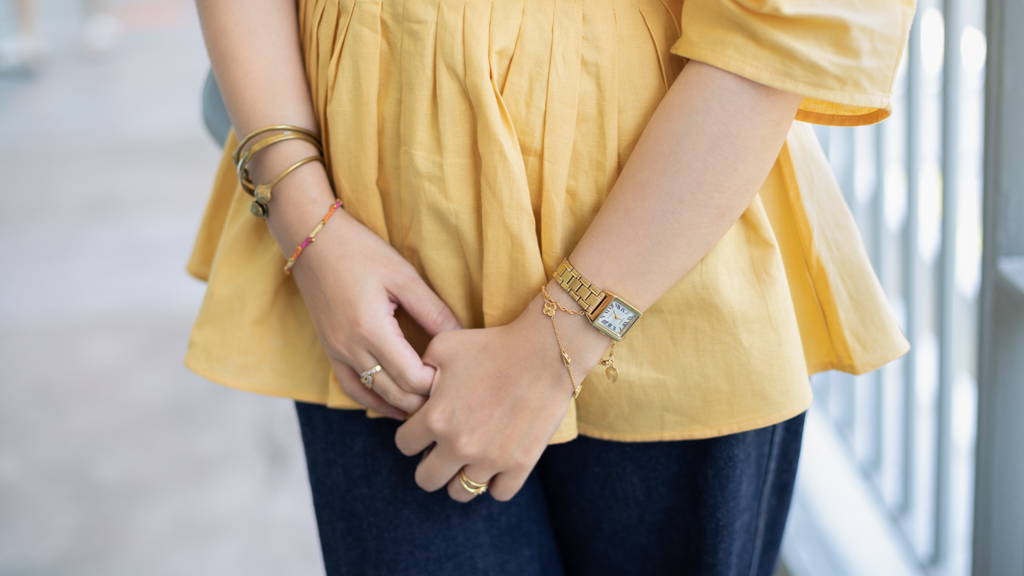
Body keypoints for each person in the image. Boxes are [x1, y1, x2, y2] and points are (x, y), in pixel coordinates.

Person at [188, 0, 913, 574]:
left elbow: (789, 24)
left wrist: (559, 341)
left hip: (664, 254)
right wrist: (304, 215)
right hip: (369, 249)